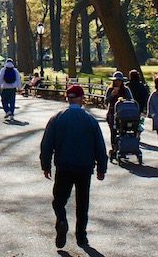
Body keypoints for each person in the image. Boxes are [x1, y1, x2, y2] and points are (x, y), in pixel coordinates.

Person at [40, 85, 107, 249]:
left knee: (59, 200)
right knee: (82, 202)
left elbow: (47, 144)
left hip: (64, 165)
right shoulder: (90, 120)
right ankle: (81, 236)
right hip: (84, 166)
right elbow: (99, 145)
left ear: (67, 98)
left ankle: (62, 221)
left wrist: (46, 164)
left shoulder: (57, 118)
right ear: (82, 98)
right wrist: (101, 168)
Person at [105, 71, 133, 149]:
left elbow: (131, 100)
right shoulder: (110, 89)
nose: (118, 82)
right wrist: (112, 95)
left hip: (124, 113)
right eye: (116, 81)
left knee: (123, 131)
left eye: (119, 81)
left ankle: (123, 147)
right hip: (112, 113)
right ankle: (114, 148)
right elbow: (106, 101)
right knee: (113, 131)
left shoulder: (126, 89)